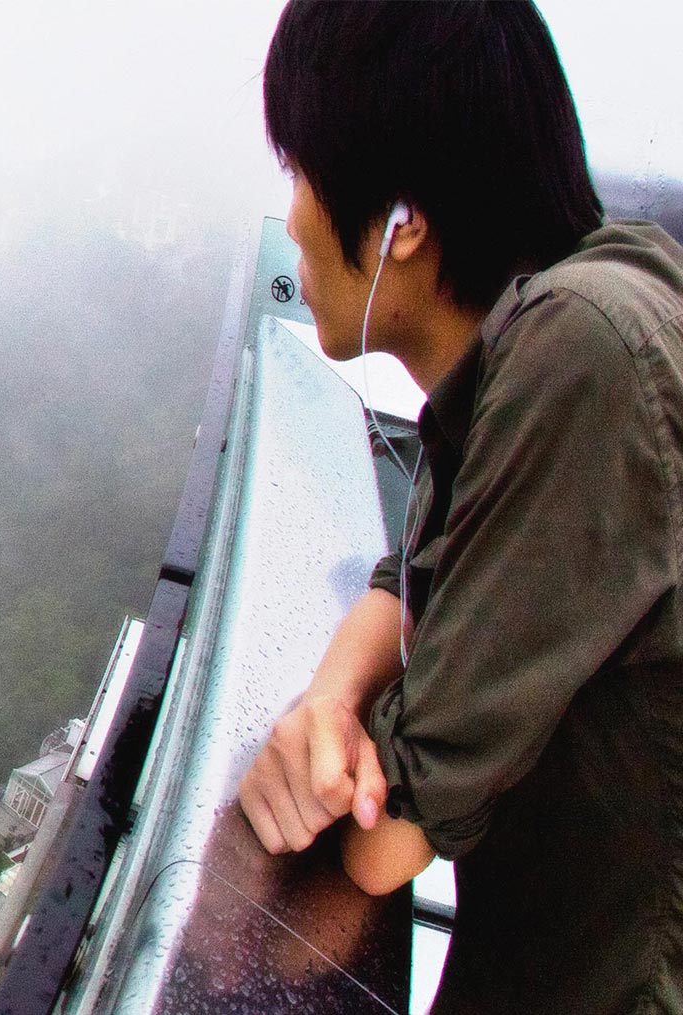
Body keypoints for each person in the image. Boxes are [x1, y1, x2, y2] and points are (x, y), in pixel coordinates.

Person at [236, 2, 683, 1012]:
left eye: (299, 172)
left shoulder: (582, 352)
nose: (293, 219)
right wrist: (328, 703)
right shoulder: (520, 343)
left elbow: (390, 829)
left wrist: (326, 768)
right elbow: (406, 583)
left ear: (402, 220)